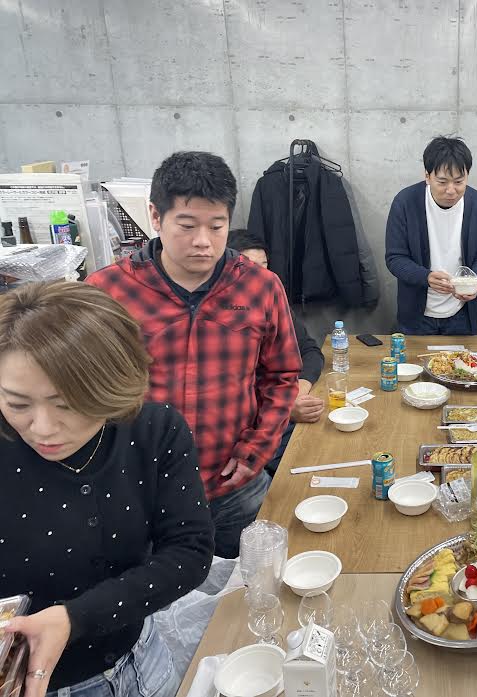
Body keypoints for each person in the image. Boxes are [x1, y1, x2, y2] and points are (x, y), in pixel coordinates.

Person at [0, 281, 214, 697]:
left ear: (111, 386)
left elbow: (189, 551)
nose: (42, 428)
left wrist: (74, 618)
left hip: (143, 661)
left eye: (67, 404)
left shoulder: (154, 430)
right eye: (18, 404)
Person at [87, 151, 301, 558]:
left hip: (235, 487)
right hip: (141, 494)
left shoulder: (260, 286)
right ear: (156, 216)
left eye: (217, 226)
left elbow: (281, 376)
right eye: (187, 226)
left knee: (253, 587)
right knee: (152, 593)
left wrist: (258, 449)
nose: (203, 241)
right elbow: (84, 390)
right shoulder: (108, 292)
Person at [227, 228, 325, 474]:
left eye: (265, 266)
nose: (261, 277)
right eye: (250, 268)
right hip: (250, 434)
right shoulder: (218, 320)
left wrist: (298, 389)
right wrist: (284, 409)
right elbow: (228, 399)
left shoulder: (271, 301)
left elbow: (310, 350)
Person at [385, 136, 477, 335]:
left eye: (459, 182)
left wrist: (475, 282)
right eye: (442, 182)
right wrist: (426, 277)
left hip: (462, 314)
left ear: (467, 176)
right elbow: (395, 258)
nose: (451, 190)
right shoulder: (405, 203)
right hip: (416, 316)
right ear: (427, 176)